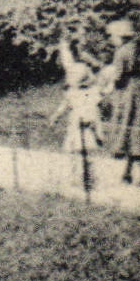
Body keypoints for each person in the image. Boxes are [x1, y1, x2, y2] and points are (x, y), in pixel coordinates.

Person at [99, 19, 140, 185]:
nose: (110, 40)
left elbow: (117, 77)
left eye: (112, 36)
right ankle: (129, 173)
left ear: (120, 36)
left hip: (127, 95)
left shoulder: (121, 52)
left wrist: (105, 91)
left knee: (128, 130)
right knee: (139, 131)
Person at [50, 37, 103, 186]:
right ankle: (83, 178)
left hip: (82, 122)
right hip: (81, 122)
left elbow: (68, 103)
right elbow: (67, 103)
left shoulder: (78, 78)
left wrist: (56, 116)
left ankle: (85, 178)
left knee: (81, 152)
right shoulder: (84, 88)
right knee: (81, 152)